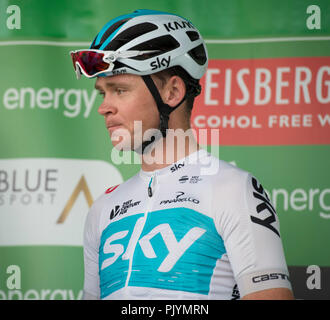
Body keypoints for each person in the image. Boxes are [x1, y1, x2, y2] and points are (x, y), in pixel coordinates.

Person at [70, 9, 294, 300]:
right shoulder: (102, 209)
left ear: (173, 92)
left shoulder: (233, 189)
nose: (104, 107)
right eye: (103, 93)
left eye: (120, 90)